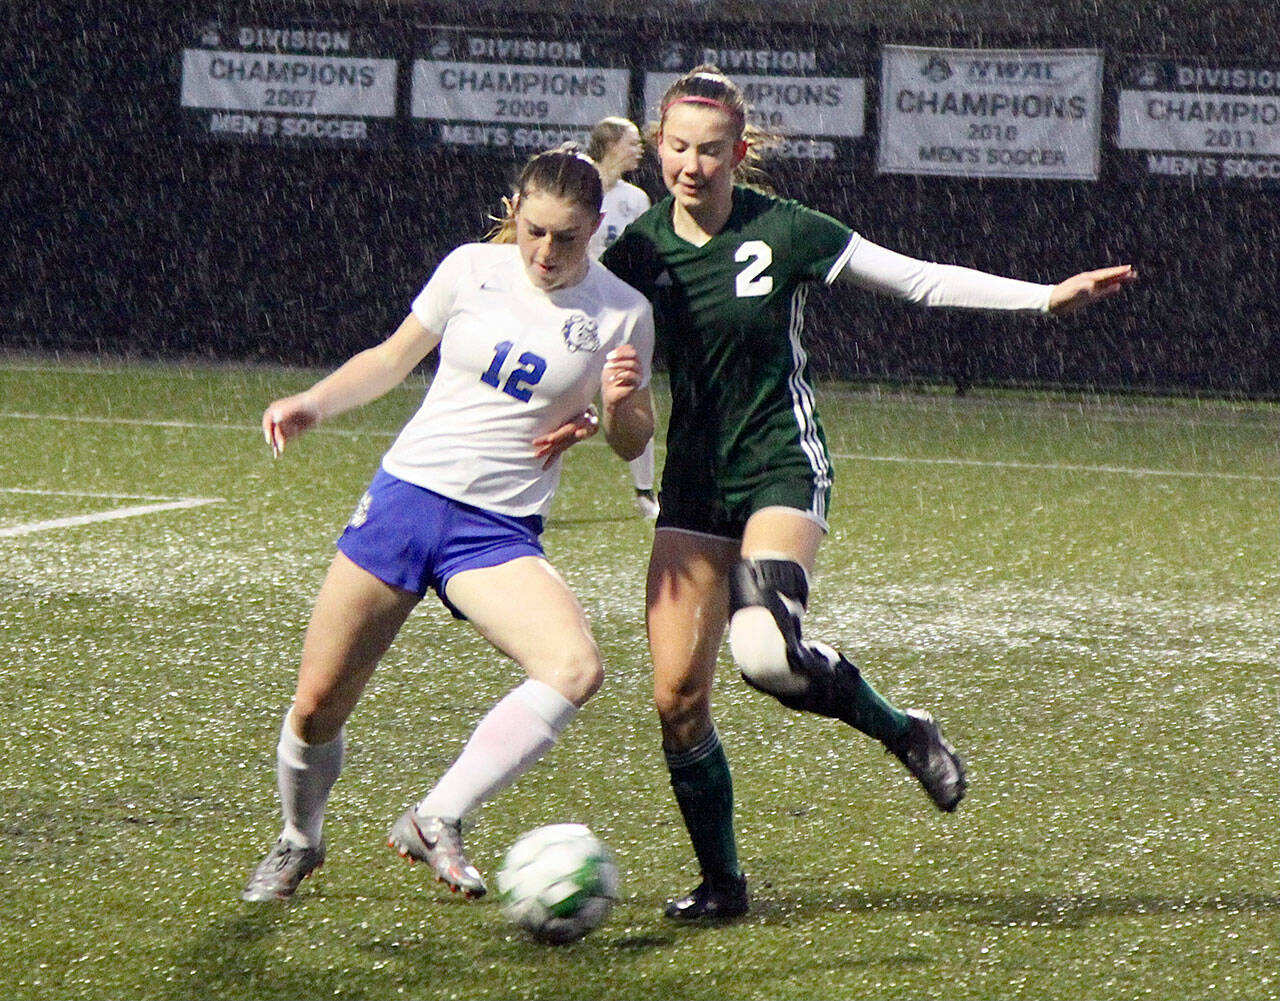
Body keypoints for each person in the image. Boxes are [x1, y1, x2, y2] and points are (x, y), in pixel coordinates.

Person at [601, 65, 1137, 921]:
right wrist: (613, 402)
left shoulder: (784, 230)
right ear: (656, 149)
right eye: (676, 148)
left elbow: (917, 278)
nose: (691, 166)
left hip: (781, 465)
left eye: (710, 150)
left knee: (767, 656)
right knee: (676, 700)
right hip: (693, 485)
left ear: (740, 152)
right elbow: (626, 434)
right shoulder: (633, 257)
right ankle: (725, 884)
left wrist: (1044, 299)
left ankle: (905, 729)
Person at [241, 146, 655, 903]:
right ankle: (300, 840)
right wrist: (312, 403)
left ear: (598, 226)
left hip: (495, 530)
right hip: (406, 501)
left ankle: (437, 815)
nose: (547, 252)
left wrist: (622, 403)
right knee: (318, 704)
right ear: (516, 211)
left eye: (568, 237)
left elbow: (631, 438)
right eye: (534, 231)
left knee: (574, 667)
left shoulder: (622, 310)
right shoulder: (471, 268)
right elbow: (392, 359)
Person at [587, 116, 660, 520]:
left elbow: (640, 257)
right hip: (574, 306)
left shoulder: (635, 199)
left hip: (615, 310)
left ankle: (645, 492)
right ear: (611, 145)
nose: (639, 149)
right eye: (632, 142)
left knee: (634, 393)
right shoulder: (577, 182)